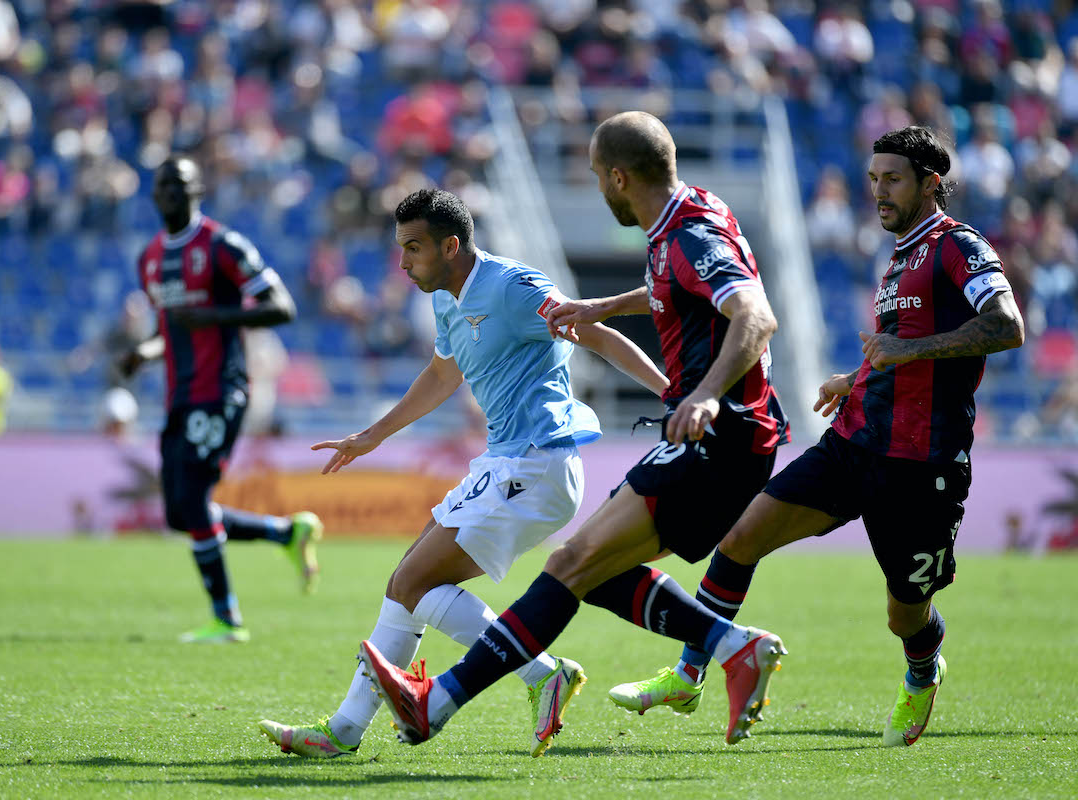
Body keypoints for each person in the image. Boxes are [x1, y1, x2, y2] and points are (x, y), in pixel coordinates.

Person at [357, 111, 791, 750]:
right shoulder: (691, 217)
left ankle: (442, 699)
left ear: (619, 176)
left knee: (565, 564)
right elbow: (671, 288)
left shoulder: (686, 235)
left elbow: (755, 314)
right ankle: (732, 646)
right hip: (724, 435)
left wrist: (699, 394)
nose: (595, 188)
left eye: (595, 175)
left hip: (716, 434)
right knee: (588, 568)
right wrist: (608, 303)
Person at [613, 125, 1026, 747]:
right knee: (741, 536)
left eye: (892, 180)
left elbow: (1007, 325)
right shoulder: (899, 256)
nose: (878, 192)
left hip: (920, 463)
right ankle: (691, 672)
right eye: (873, 180)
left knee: (903, 612)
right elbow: (896, 354)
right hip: (854, 441)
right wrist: (853, 377)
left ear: (930, 183)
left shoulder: (957, 247)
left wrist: (906, 349)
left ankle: (921, 669)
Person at [259, 188, 670, 759]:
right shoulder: (446, 298)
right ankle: (344, 731)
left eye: (414, 249)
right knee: (404, 584)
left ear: (452, 246)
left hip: (538, 461)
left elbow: (595, 332)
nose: (403, 263)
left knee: (412, 583)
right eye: (400, 248)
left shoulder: (511, 287)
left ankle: (543, 674)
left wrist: (673, 394)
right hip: (507, 462)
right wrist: (371, 436)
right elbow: (441, 374)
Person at [119, 155, 322, 644]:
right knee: (178, 513)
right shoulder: (149, 259)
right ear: (154, 196)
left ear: (198, 190)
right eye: (164, 185)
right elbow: (165, 328)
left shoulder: (223, 245)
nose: (172, 193)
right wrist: (143, 353)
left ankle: (226, 619)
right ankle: (286, 534)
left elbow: (281, 307)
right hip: (179, 394)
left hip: (221, 391)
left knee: (191, 500)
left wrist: (212, 316)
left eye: (182, 185)